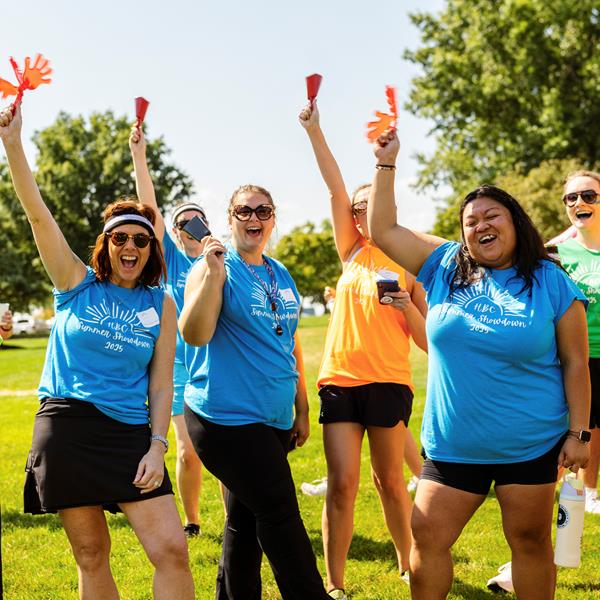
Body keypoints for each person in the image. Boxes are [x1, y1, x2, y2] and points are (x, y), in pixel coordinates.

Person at [367, 128, 590, 600]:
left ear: (516, 223)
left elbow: (575, 361)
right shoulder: (446, 264)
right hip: (453, 446)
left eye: (492, 215)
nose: (480, 224)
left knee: (529, 542)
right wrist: (386, 164)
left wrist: (578, 433)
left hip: (529, 443)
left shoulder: (551, 280)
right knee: (427, 537)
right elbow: (382, 230)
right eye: (470, 221)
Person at [0, 106, 194, 600]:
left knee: (171, 548)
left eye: (142, 241)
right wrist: (13, 145)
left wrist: (156, 445)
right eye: (121, 238)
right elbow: (38, 215)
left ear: (152, 250)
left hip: (130, 433)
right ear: (106, 244)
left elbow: (160, 382)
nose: (131, 246)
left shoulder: (162, 302)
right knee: (91, 555)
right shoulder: (74, 283)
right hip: (68, 427)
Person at [299, 103, 428, 598]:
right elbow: (334, 186)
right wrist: (315, 131)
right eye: (355, 207)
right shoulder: (351, 252)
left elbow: (423, 339)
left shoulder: (410, 256)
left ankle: (406, 559)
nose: (359, 212)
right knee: (342, 484)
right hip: (340, 380)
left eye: (369, 204)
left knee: (391, 482)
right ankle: (333, 583)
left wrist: (404, 305)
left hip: (390, 381)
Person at [179, 184, 331, 600]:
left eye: (263, 211)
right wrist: (212, 274)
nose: (253, 219)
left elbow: (289, 345)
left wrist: (301, 407)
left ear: (273, 218)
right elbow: (194, 333)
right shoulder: (213, 266)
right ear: (229, 219)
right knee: (280, 512)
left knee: (244, 520)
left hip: (274, 419)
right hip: (226, 418)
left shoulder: (279, 273)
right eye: (243, 211)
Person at [129, 125, 206, 536]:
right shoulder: (172, 262)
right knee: (187, 451)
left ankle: (237, 519)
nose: (191, 226)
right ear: (173, 233)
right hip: (177, 370)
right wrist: (140, 157)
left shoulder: (220, 261)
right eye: (183, 223)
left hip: (216, 369)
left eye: (198, 220)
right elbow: (150, 210)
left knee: (226, 451)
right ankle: (192, 519)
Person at [556, 171, 600, 513]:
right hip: (573, 356)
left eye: (588, 195)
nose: (580, 203)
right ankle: (562, 491)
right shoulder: (557, 253)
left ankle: (591, 492)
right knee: (579, 425)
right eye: (572, 198)